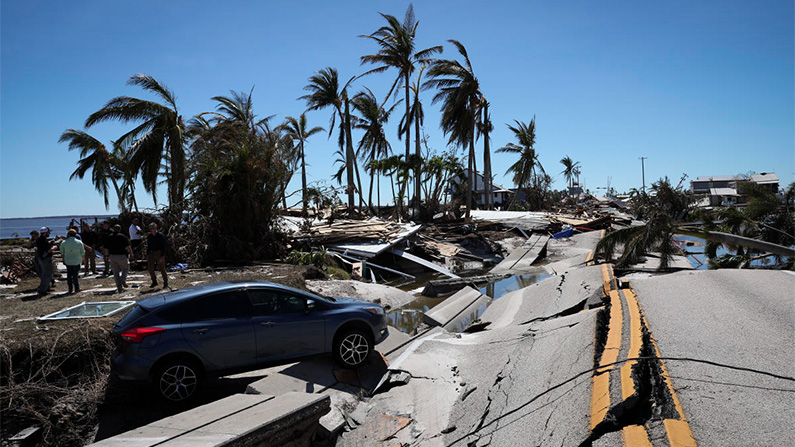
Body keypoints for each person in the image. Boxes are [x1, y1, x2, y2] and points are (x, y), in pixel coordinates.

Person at [104, 224, 133, 293]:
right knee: (125, 268)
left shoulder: (109, 237)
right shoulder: (122, 236)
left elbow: (106, 248)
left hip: (112, 256)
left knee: (115, 272)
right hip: (121, 255)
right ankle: (123, 279)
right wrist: (131, 253)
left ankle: (119, 287)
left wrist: (106, 256)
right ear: (120, 229)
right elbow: (128, 246)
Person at [60, 229, 85, 294]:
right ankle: (77, 288)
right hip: (77, 260)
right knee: (75, 275)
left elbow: (62, 253)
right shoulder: (79, 242)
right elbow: (82, 252)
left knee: (69, 275)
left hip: (68, 260)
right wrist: (83, 260)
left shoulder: (64, 243)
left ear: (68, 234)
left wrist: (63, 260)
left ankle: (70, 288)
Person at [146, 223, 168, 289]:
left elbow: (164, 246)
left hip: (159, 252)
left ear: (156, 228)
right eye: (150, 228)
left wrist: (162, 256)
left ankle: (165, 282)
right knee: (150, 268)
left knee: (162, 268)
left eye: (152, 228)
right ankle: (154, 281)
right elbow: (148, 245)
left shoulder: (160, 236)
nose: (151, 230)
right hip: (151, 253)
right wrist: (147, 254)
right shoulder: (149, 236)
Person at [35, 227, 55, 296]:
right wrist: (54, 248)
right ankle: (42, 290)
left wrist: (51, 242)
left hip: (41, 258)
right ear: (45, 233)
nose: (49, 234)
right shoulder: (43, 240)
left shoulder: (39, 240)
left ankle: (46, 288)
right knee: (47, 274)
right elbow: (48, 250)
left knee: (44, 274)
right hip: (46, 259)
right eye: (48, 232)